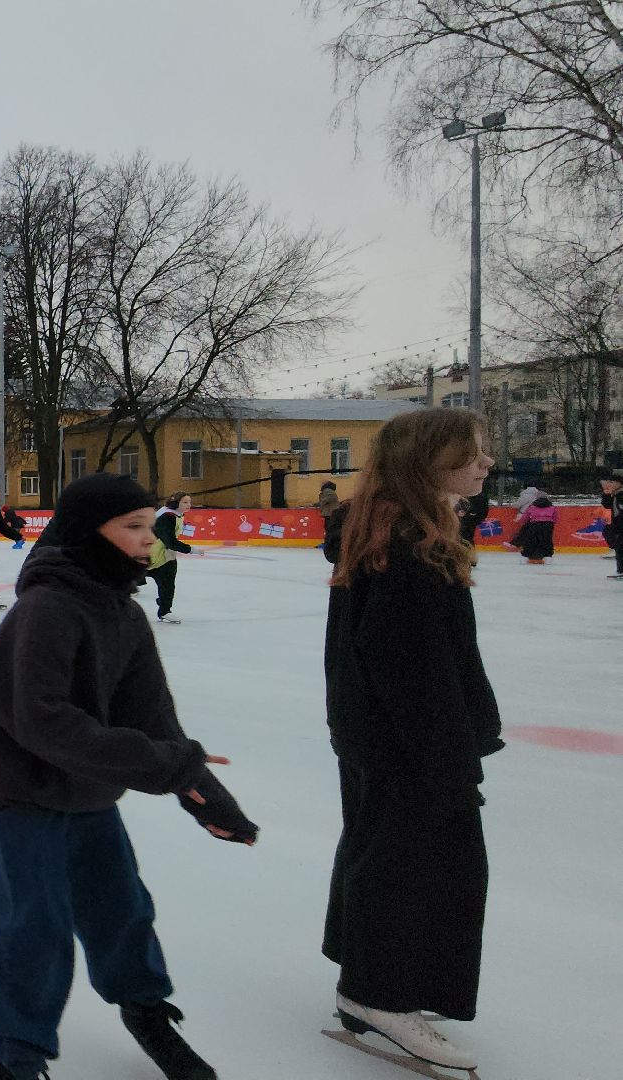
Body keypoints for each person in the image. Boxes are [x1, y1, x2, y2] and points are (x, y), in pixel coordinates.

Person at [0, 472, 254, 1080]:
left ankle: (146, 1011)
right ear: (86, 533)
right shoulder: (47, 608)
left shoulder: (123, 616)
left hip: (89, 790)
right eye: (133, 527)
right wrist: (165, 765)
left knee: (121, 908)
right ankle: (15, 1054)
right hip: (24, 791)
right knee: (33, 928)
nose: (150, 540)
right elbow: (40, 721)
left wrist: (205, 795)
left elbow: (155, 720)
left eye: (151, 526)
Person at [320, 408, 500, 1074]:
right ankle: (378, 994)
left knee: (391, 852)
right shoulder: (404, 547)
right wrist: (447, 754)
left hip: (383, 736)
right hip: (409, 740)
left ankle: (374, 983)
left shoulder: (398, 531)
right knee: (424, 863)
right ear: (431, 461)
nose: (486, 463)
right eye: (473, 453)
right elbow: (411, 668)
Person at [146, 493, 204, 625]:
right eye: (184, 502)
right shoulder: (167, 517)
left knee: (168, 585)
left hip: (165, 557)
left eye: (189, 502)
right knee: (125, 581)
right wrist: (191, 550)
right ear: (175, 503)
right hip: (148, 555)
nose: (188, 505)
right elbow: (170, 541)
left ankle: (165, 611)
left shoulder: (178, 515)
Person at [508, 494, 557, 564]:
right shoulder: (552, 508)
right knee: (547, 541)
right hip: (547, 525)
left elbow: (525, 517)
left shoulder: (532, 507)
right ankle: (547, 556)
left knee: (531, 541)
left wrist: (522, 522)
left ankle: (525, 556)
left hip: (534, 525)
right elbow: (555, 519)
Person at [599, 473, 623, 579]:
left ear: (619, 483)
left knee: (620, 546)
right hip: (618, 526)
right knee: (618, 545)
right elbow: (607, 506)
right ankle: (620, 570)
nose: (609, 484)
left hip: (620, 527)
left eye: (612, 482)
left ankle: (621, 570)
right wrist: (606, 494)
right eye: (609, 482)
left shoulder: (621, 495)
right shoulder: (616, 494)